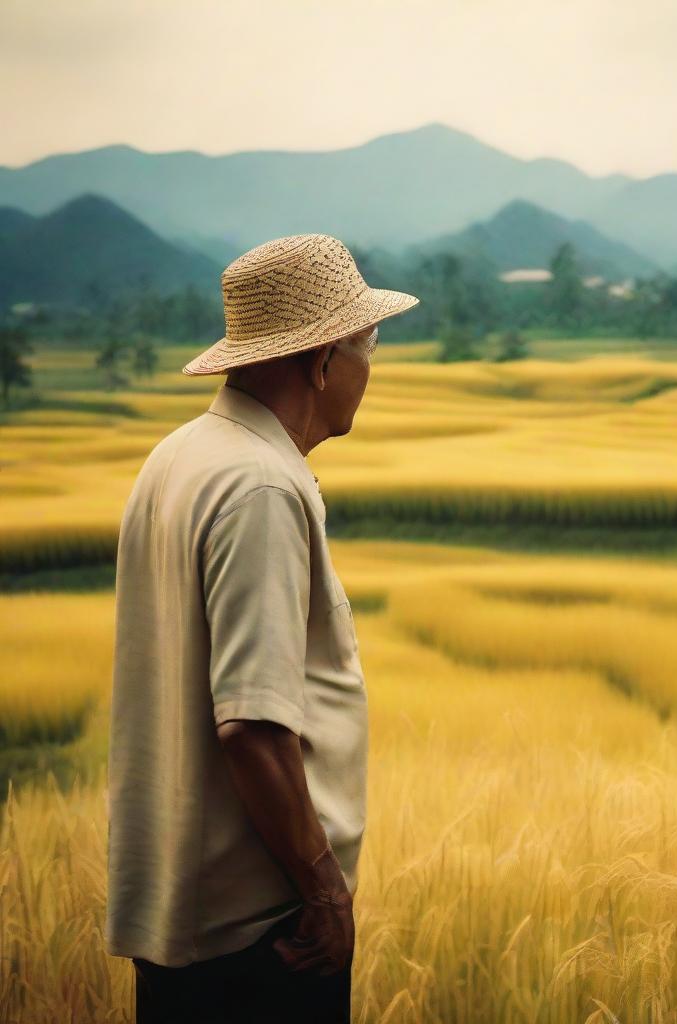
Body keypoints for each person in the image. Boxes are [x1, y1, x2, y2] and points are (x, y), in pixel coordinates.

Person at [105, 234, 420, 1022]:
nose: (368, 371)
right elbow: (250, 722)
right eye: (367, 346)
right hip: (262, 936)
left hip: (185, 920)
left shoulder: (179, 456)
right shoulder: (261, 488)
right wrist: (325, 891)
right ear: (320, 361)